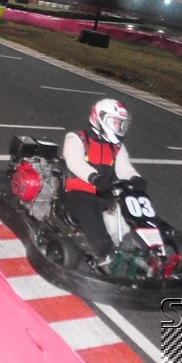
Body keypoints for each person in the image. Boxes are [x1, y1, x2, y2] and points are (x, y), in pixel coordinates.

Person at [62, 98, 145, 266]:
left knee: (134, 201)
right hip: (77, 195)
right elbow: (74, 161)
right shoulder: (77, 138)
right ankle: (105, 253)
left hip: (105, 193)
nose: (118, 127)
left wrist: (135, 178)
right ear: (99, 118)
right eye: (115, 122)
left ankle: (145, 244)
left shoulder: (116, 146)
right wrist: (94, 177)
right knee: (88, 205)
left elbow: (124, 167)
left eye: (120, 124)